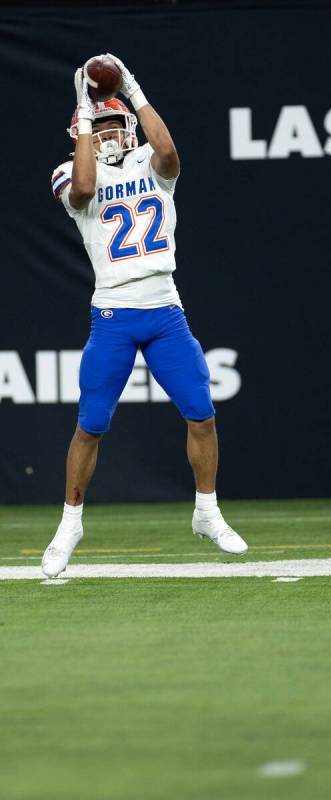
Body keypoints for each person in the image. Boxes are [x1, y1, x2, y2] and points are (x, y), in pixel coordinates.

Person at [43, 55, 247, 578]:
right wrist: (87, 114)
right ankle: (70, 523)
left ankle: (207, 512)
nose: (110, 135)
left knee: (201, 411)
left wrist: (132, 89)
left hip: (164, 308)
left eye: (116, 125)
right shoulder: (69, 171)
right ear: (81, 132)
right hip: (113, 311)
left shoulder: (149, 166)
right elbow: (86, 190)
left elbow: (171, 151)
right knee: (91, 424)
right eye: (99, 126)